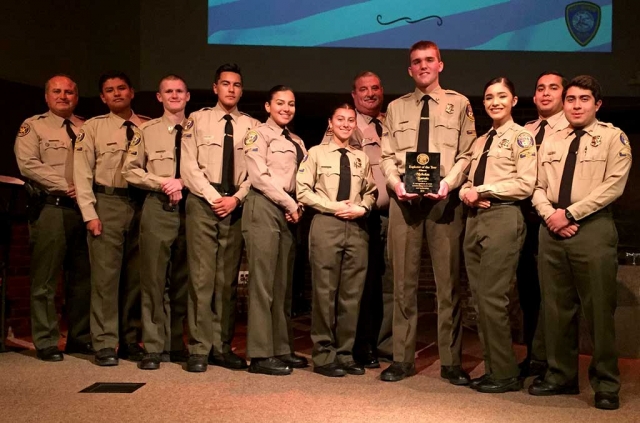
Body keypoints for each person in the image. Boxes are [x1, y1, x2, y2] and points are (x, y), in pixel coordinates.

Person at [529, 75, 631, 411]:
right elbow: (537, 185)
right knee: (556, 309)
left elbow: (613, 187)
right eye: (570, 98)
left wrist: (569, 214)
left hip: (592, 229)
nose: (575, 105)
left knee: (599, 311)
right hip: (552, 230)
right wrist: (550, 216)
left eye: (584, 99)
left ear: (597, 104)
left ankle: (606, 382)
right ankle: (561, 377)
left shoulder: (612, 138)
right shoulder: (551, 140)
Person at [379, 40, 476, 383]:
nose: (423, 66)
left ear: (440, 64)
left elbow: (467, 154)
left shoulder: (460, 104)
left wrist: (449, 183)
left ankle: (451, 362)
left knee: (447, 284)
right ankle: (402, 359)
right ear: (410, 69)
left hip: (443, 203)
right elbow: (387, 156)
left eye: (429, 60)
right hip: (404, 203)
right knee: (402, 282)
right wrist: (395, 184)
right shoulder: (395, 108)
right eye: (417, 61)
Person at [179, 64, 259, 373]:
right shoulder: (196, 120)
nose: (231, 89)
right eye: (225, 84)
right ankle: (199, 347)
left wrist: (236, 198)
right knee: (201, 278)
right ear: (215, 88)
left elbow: (255, 170)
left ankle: (222, 347)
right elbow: (188, 166)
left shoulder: (252, 126)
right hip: (203, 201)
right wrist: (214, 198)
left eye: (237, 85)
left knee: (226, 282)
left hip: (235, 203)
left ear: (241, 90)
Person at [460, 77, 537, 393]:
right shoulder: (480, 141)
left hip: (503, 216)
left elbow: (525, 183)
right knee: (479, 300)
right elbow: (467, 180)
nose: (494, 102)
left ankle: (505, 373)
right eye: (489, 96)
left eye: (502, 96)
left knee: (493, 298)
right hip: (475, 218)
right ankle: (494, 369)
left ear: (514, 101)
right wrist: (467, 191)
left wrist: (481, 190)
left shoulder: (521, 138)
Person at [14, 74, 92, 361]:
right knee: (46, 279)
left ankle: (80, 338)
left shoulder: (87, 127)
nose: (63, 96)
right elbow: (28, 164)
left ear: (76, 96)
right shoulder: (33, 126)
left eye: (69, 92)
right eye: (57, 92)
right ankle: (46, 340)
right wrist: (66, 186)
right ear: (46, 97)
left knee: (83, 279)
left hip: (83, 211)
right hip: (51, 207)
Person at [73, 71, 149, 366]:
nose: (116, 93)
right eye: (109, 90)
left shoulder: (148, 126)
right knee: (106, 278)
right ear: (103, 97)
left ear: (131, 92)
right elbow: (81, 174)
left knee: (136, 278)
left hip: (142, 205)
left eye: (121, 88)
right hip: (108, 202)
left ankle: (130, 338)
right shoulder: (92, 128)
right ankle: (104, 342)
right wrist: (89, 214)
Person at [297, 103, 377, 377]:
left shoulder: (361, 158)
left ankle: (345, 354)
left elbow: (371, 192)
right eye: (340, 119)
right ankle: (323, 355)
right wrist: (334, 207)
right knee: (324, 294)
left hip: (356, 228)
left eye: (350, 120)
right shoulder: (315, 153)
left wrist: (363, 208)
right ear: (330, 123)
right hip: (327, 225)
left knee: (351, 296)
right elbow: (303, 192)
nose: (345, 124)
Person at [123, 74, 191, 370]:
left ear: (187, 96)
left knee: (182, 280)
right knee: (152, 279)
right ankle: (153, 345)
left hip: (193, 208)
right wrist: (162, 182)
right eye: (168, 91)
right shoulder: (146, 130)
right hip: (158, 206)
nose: (174, 95)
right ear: (159, 97)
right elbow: (130, 170)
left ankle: (175, 343)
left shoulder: (199, 128)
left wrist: (183, 183)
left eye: (179, 91)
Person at [242, 85, 309, 376]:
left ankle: (281, 347)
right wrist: (289, 203)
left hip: (289, 211)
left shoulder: (297, 140)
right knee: (263, 285)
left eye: (291, 103)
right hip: (265, 206)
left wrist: (299, 206)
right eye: (280, 103)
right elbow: (259, 175)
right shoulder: (258, 134)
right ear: (267, 106)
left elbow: (304, 178)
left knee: (282, 285)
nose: (286, 108)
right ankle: (259, 354)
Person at [518, 71, 570, 377]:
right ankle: (534, 356)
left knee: (555, 297)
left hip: (552, 220)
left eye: (553, 88)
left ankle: (554, 362)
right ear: (534, 97)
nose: (546, 93)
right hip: (522, 220)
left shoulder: (571, 130)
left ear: (563, 95)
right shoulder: (526, 130)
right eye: (540, 89)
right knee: (529, 294)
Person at [346, 71, 394, 368]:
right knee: (363, 284)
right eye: (363, 89)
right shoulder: (346, 126)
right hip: (364, 216)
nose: (370, 93)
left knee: (391, 283)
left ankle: (386, 343)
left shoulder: (394, 123)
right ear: (354, 95)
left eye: (375, 88)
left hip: (396, 214)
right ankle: (361, 344)